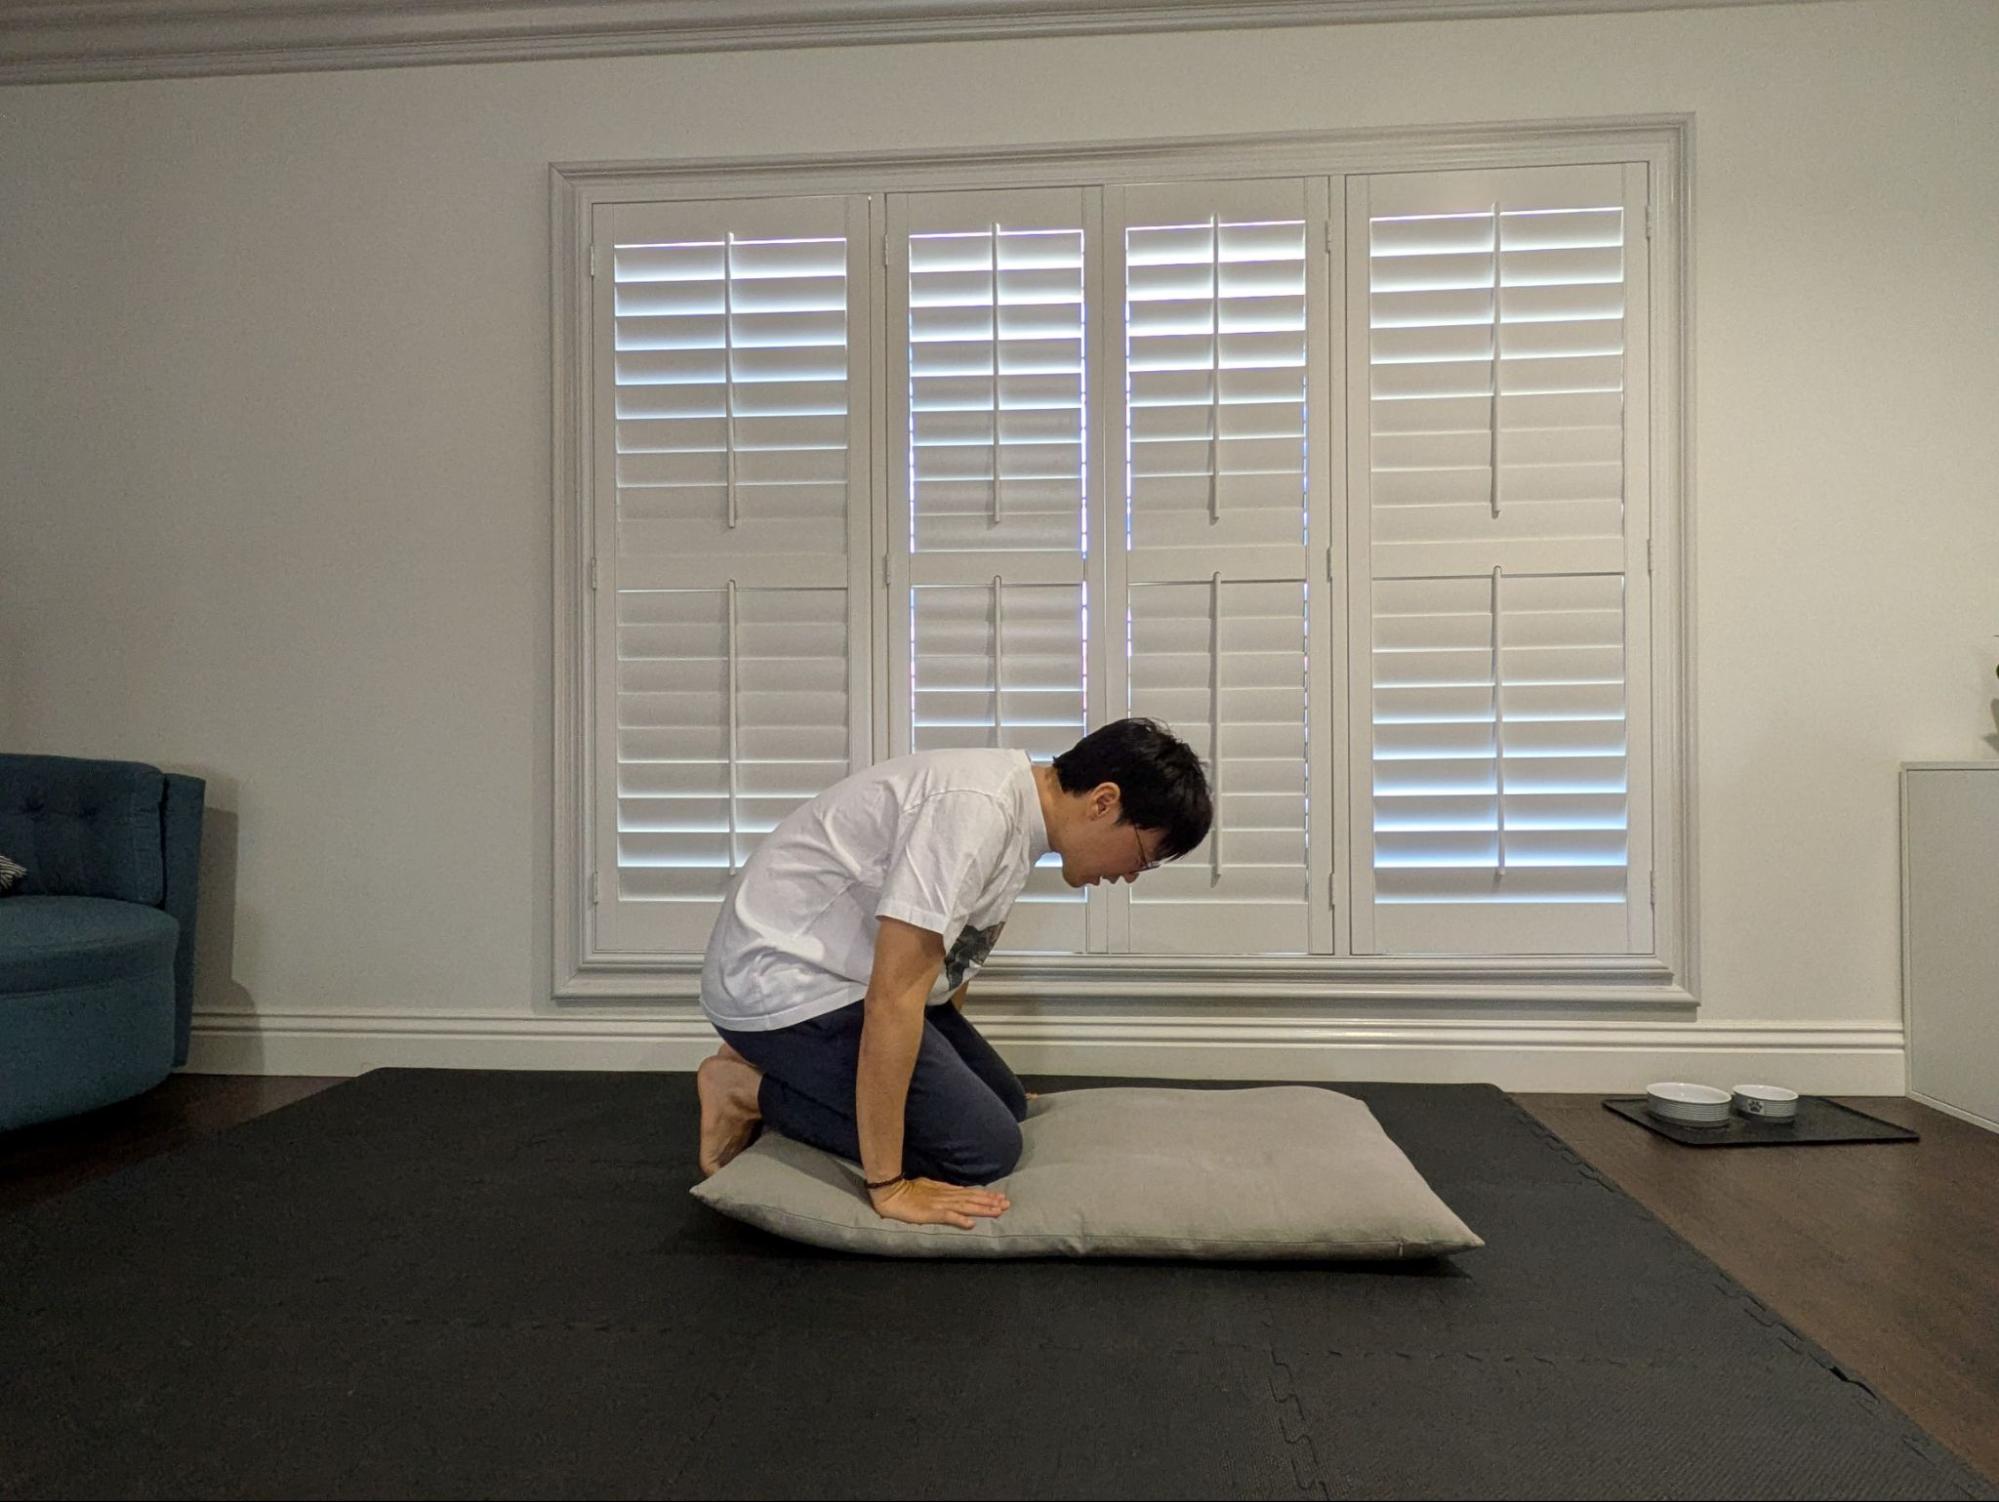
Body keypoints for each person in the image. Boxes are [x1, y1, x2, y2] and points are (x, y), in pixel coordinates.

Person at [694, 717, 1213, 1230]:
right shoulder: (974, 813)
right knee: (984, 1152)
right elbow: (892, 1000)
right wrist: (889, 1185)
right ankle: (742, 1088)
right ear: (1104, 801)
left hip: (839, 974)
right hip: (781, 985)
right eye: (1141, 859)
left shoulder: (1017, 816)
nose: (1127, 876)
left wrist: (957, 1084)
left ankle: (782, 1068)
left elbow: (947, 967)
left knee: (1006, 1105)